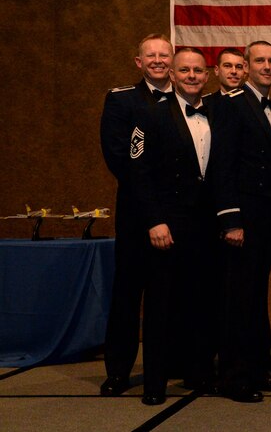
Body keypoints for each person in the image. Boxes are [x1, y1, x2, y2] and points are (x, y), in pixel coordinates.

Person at [129, 48, 217, 405]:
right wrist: (154, 221)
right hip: (168, 222)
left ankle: (197, 373)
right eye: (185, 70)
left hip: (206, 224)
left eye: (198, 70)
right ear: (173, 75)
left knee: (201, 302)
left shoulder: (217, 113)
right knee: (161, 306)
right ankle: (155, 383)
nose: (192, 76)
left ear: (206, 75)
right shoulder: (149, 115)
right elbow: (138, 174)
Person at [210, 41, 271, 403]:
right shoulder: (231, 105)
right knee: (238, 299)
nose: (267, 66)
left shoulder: (268, 107)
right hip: (242, 217)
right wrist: (230, 220)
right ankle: (234, 377)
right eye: (259, 60)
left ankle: (256, 369)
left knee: (256, 297)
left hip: (265, 215)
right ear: (245, 66)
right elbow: (222, 166)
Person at [99, 33, 174, 397]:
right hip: (137, 215)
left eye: (164, 55)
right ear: (138, 62)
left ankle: (169, 364)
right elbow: (120, 160)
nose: (159, 60)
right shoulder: (122, 100)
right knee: (128, 294)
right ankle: (118, 369)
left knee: (168, 294)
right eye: (152, 55)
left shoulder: (188, 100)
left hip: (178, 216)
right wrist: (151, 213)